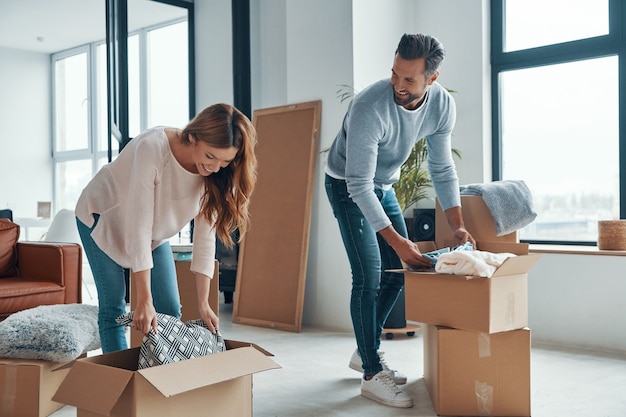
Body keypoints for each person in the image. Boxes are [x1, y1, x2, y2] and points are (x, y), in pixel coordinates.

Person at [324, 33, 476, 408]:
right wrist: (398, 240)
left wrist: (457, 224)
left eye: (409, 79)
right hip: (347, 184)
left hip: (384, 184)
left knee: (397, 271)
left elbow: (442, 167)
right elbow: (359, 184)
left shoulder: (441, 106)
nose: (398, 85)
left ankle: (365, 351)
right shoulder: (369, 107)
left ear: (432, 79)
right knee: (369, 275)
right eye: (395, 74)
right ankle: (372, 373)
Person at [76, 103, 257, 353]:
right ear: (193, 137)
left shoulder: (215, 176)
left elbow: (205, 240)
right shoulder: (153, 148)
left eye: (225, 161)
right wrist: (143, 299)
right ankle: (120, 387)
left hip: (152, 234)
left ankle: (159, 380)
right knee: (115, 309)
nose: (215, 167)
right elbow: (138, 225)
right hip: (102, 216)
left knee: (170, 310)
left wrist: (203, 303)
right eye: (210, 156)